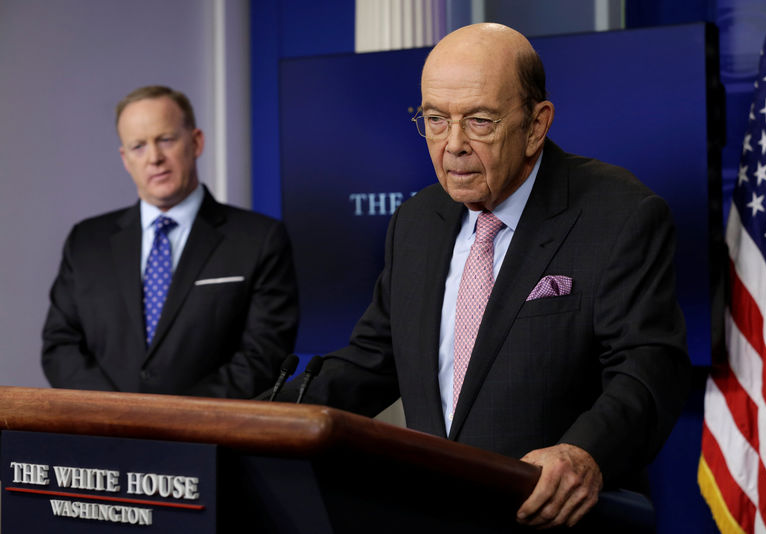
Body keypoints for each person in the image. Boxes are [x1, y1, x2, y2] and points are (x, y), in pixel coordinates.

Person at [278, 23, 691, 528]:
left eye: (478, 121)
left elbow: (649, 367)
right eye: (435, 119)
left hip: (546, 516)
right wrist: (254, 420)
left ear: (536, 125)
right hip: (429, 514)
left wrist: (585, 453)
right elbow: (370, 362)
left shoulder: (618, 213)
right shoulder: (417, 221)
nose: (452, 145)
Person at [42, 85, 299, 398]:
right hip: (104, 437)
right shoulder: (86, 241)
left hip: (208, 439)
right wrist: (114, 415)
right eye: (138, 146)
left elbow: (263, 356)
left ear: (196, 141)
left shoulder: (259, 239)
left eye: (166, 139)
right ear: (125, 158)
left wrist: (172, 420)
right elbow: (61, 344)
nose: (154, 158)